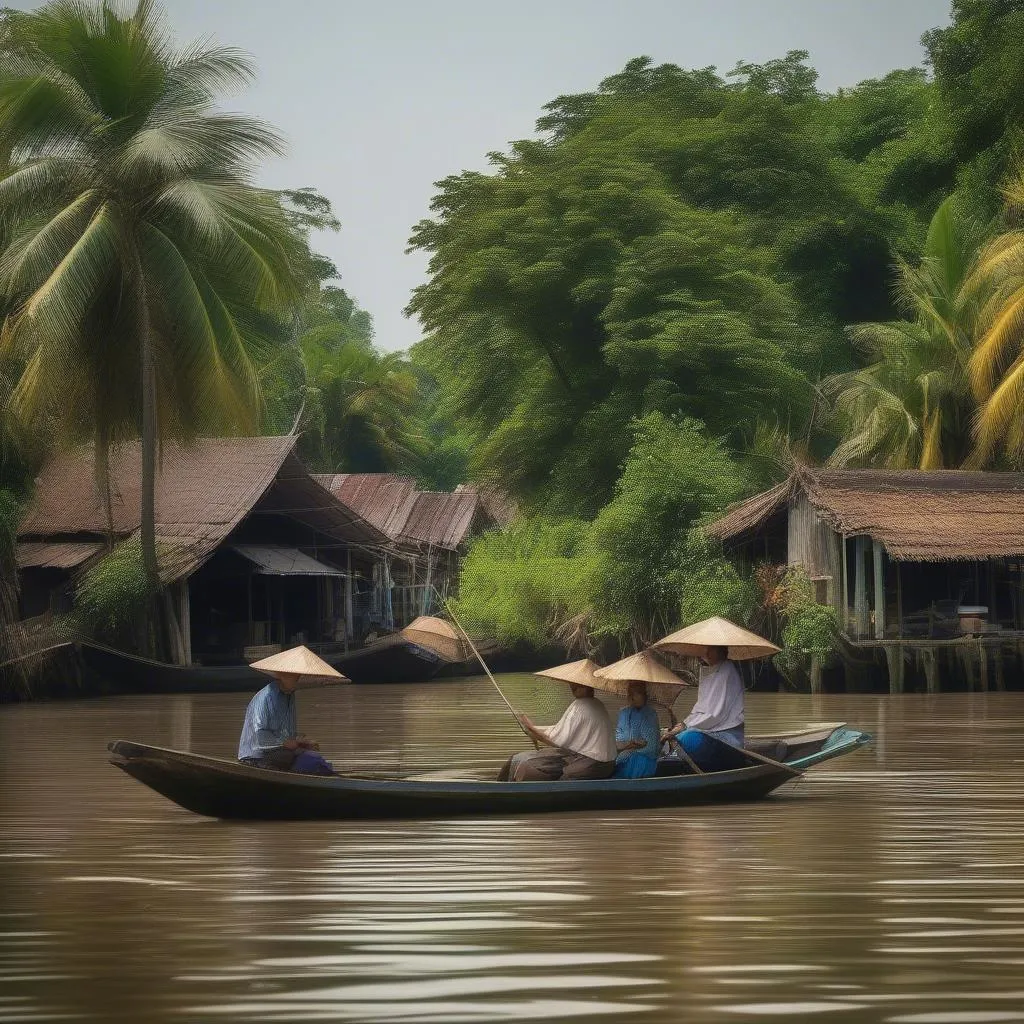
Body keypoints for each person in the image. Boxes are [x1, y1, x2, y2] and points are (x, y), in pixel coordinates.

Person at [497, 683, 617, 782]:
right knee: (519, 758)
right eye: (572, 684)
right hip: (606, 763)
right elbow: (559, 729)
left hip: (595, 763)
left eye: (577, 685)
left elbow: (556, 740)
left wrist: (533, 730)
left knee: (526, 764)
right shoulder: (596, 703)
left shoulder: (580, 706)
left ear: (587, 686)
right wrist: (533, 729)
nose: (572, 687)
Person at [660, 644, 747, 772]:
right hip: (710, 731)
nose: (706, 653)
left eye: (710, 649)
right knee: (664, 733)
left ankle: (676, 759)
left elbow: (714, 714)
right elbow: (700, 709)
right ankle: (673, 759)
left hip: (728, 737)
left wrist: (685, 726)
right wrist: (681, 725)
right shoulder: (710, 672)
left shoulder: (727, 671)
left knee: (689, 738)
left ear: (721, 650)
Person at [238, 671, 337, 775]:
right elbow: (260, 738)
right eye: (294, 678)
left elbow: (286, 733)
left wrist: (300, 743)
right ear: (282, 677)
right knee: (301, 758)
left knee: (312, 757)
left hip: (277, 750)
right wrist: (284, 743)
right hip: (257, 756)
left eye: (298, 677)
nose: (297, 681)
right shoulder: (265, 698)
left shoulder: (288, 694)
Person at [613, 682, 662, 778]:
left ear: (644, 695)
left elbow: (651, 746)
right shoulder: (624, 713)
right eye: (630, 693)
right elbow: (619, 739)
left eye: (637, 693)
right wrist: (629, 744)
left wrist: (630, 747)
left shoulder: (650, 714)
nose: (632, 697)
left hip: (644, 759)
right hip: (623, 758)